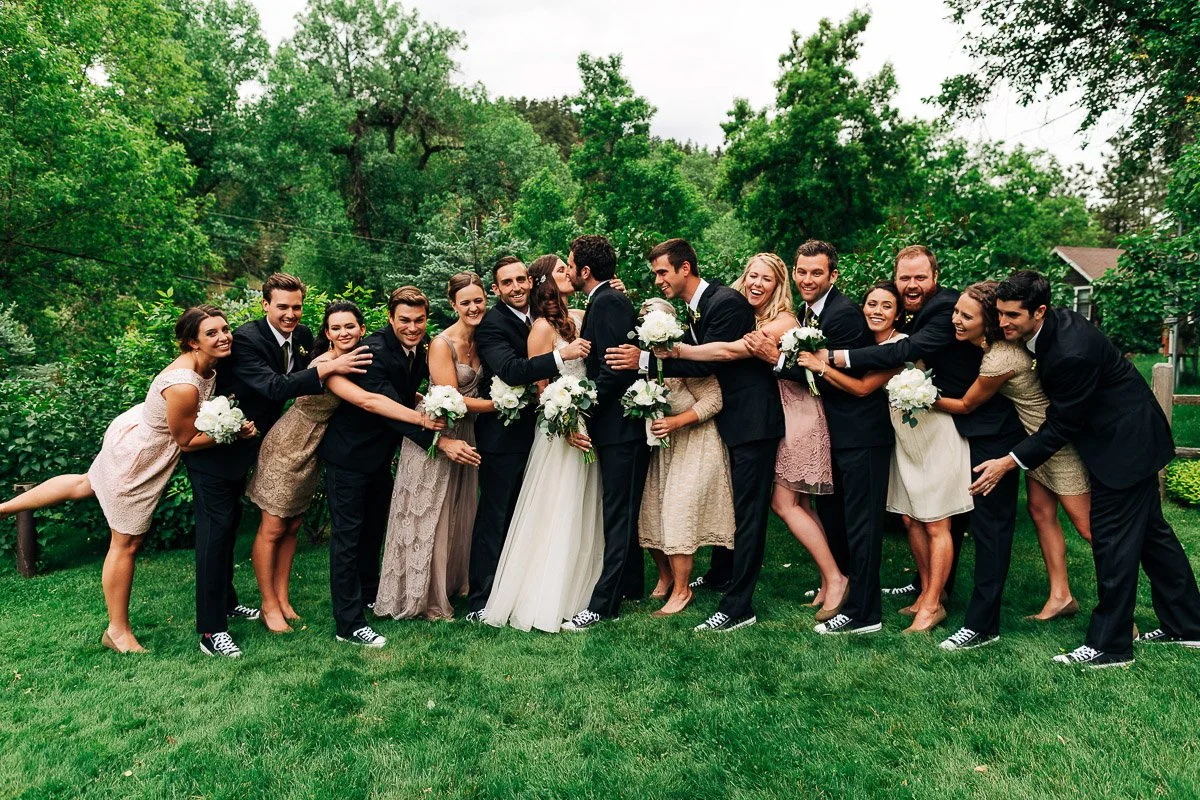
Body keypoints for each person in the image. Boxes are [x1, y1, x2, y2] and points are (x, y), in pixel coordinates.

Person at [971, 270, 1200, 668]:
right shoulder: (1052, 328)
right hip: (1132, 436)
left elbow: (1062, 424)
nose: (1003, 322)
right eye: (1000, 313)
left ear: (1039, 311)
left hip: (1124, 448)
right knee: (1154, 540)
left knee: (1113, 543)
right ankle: (1189, 626)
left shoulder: (1069, 352)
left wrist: (1010, 461)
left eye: (1012, 316)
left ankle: (1110, 646)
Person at [0, 307, 252, 653]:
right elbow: (186, 442)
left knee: (85, 483)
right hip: (140, 459)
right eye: (212, 333)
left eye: (225, 329)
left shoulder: (207, 366)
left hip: (139, 435)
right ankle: (117, 630)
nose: (224, 336)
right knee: (126, 542)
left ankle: (2, 508)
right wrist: (234, 431)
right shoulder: (183, 385)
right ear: (193, 342)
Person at [820, 246, 1025, 651]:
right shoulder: (926, 311)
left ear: (935, 276)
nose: (911, 285)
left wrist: (832, 357)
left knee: (943, 522)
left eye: (919, 278)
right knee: (915, 518)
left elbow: (902, 353)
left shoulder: (946, 307)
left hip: (956, 428)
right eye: (904, 278)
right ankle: (929, 592)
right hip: (918, 432)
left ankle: (946, 609)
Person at [182, 273, 373, 658]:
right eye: (282, 307)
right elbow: (273, 387)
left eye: (296, 307)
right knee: (214, 536)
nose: (290, 314)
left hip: (263, 444)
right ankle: (211, 630)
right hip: (216, 452)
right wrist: (325, 369)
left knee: (238, 526)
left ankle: (232, 601)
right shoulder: (247, 340)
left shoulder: (302, 338)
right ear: (265, 305)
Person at [608, 238, 785, 632]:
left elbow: (712, 361)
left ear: (685, 268)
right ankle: (723, 576)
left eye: (662, 272)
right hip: (728, 422)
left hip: (751, 419)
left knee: (749, 514)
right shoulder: (696, 309)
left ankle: (739, 606)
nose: (658, 280)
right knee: (740, 508)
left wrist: (644, 360)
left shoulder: (726, 303)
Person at [662, 253, 845, 620]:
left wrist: (673, 352)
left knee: (760, 512)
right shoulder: (744, 313)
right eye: (752, 276)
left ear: (779, 286)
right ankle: (731, 576)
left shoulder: (781, 321)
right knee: (762, 506)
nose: (756, 284)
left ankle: (739, 606)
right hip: (747, 419)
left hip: (771, 420)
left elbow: (729, 352)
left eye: (766, 279)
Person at [246, 301, 442, 633]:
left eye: (350, 326)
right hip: (290, 444)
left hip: (317, 446)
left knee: (292, 527)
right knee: (274, 527)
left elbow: (387, 389)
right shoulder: (327, 364)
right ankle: (271, 606)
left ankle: (283, 600)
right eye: (335, 328)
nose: (344, 332)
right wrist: (422, 420)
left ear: (362, 329)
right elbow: (369, 400)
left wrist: (423, 400)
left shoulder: (362, 355)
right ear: (327, 333)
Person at [798, 282, 971, 634]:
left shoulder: (895, 348)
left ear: (898, 314)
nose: (876, 310)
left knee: (885, 526)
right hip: (900, 443)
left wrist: (821, 365)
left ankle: (870, 613)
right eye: (871, 303)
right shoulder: (867, 346)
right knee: (908, 521)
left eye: (886, 306)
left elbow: (863, 389)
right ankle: (922, 595)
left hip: (913, 439)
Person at [745, 241, 894, 636]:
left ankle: (866, 614)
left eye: (816, 273)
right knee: (842, 520)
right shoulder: (812, 312)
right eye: (802, 271)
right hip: (838, 430)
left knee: (863, 526)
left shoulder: (842, 316)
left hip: (861, 432)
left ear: (833, 276)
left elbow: (830, 378)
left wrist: (773, 360)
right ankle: (843, 585)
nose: (807, 279)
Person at [318, 287, 480, 649]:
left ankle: (369, 596)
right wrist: (438, 441)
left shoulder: (416, 351)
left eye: (419, 320)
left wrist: (426, 401)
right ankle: (348, 623)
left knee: (371, 533)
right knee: (347, 539)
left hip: (377, 458)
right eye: (404, 320)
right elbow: (381, 405)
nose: (412, 327)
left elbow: (406, 395)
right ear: (390, 319)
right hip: (349, 457)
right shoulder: (375, 351)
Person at [934, 281, 1090, 622]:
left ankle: (1121, 610)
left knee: (1089, 528)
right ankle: (1061, 596)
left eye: (966, 315)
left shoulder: (999, 359)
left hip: (1056, 445)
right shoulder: (997, 347)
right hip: (1034, 444)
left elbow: (964, 404)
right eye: (955, 312)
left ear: (986, 321)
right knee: (1040, 513)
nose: (955, 320)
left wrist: (920, 397)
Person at [485, 254, 606, 632]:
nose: (568, 273)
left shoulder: (577, 318)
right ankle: (544, 594)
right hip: (559, 430)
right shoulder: (539, 328)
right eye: (560, 270)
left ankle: (580, 588)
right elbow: (542, 390)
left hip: (583, 422)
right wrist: (567, 423)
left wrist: (611, 289)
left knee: (582, 509)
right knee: (555, 508)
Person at [375, 273, 489, 621]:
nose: (473, 307)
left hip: (466, 432)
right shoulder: (441, 344)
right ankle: (419, 596)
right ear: (453, 305)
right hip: (438, 431)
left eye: (478, 300)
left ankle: (451, 583)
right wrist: (503, 403)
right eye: (465, 302)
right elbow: (454, 395)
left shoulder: (484, 338)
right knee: (429, 513)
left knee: (457, 510)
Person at [561, 235, 651, 631]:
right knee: (619, 511)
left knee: (619, 514)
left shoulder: (609, 302)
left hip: (621, 429)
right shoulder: (601, 299)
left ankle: (604, 603)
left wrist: (581, 404)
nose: (566, 268)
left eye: (570, 263)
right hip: (613, 428)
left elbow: (615, 369)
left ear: (585, 270)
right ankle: (631, 585)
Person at [635, 298, 734, 616]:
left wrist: (676, 421)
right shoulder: (643, 362)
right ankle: (665, 579)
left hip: (695, 443)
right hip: (663, 449)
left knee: (678, 515)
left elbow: (714, 399)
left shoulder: (684, 356)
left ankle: (682, 590)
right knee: (650, 513)